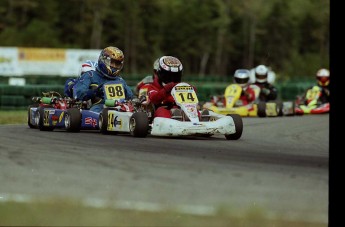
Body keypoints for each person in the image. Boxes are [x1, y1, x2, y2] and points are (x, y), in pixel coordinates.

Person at [72, 46, 134, 112]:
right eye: (112, 62)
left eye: (117, 64)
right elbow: (79, 94)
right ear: (103, 60)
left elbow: (130, 97)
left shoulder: (120, 80)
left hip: (119, 109)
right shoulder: (90, 75)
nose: (114, 66)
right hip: (97, 108)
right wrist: (94, 92)